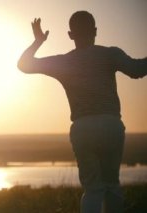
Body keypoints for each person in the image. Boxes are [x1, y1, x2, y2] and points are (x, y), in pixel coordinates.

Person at [17, 11, 147, 213]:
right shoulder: (110, 54)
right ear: (95, 31)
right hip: (111, 125)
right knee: (112, 186)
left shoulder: (63, 62)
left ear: (70, 35)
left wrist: (38, 41)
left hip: (83, 128)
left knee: (93, 190)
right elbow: (138, 69)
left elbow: (23, 65)